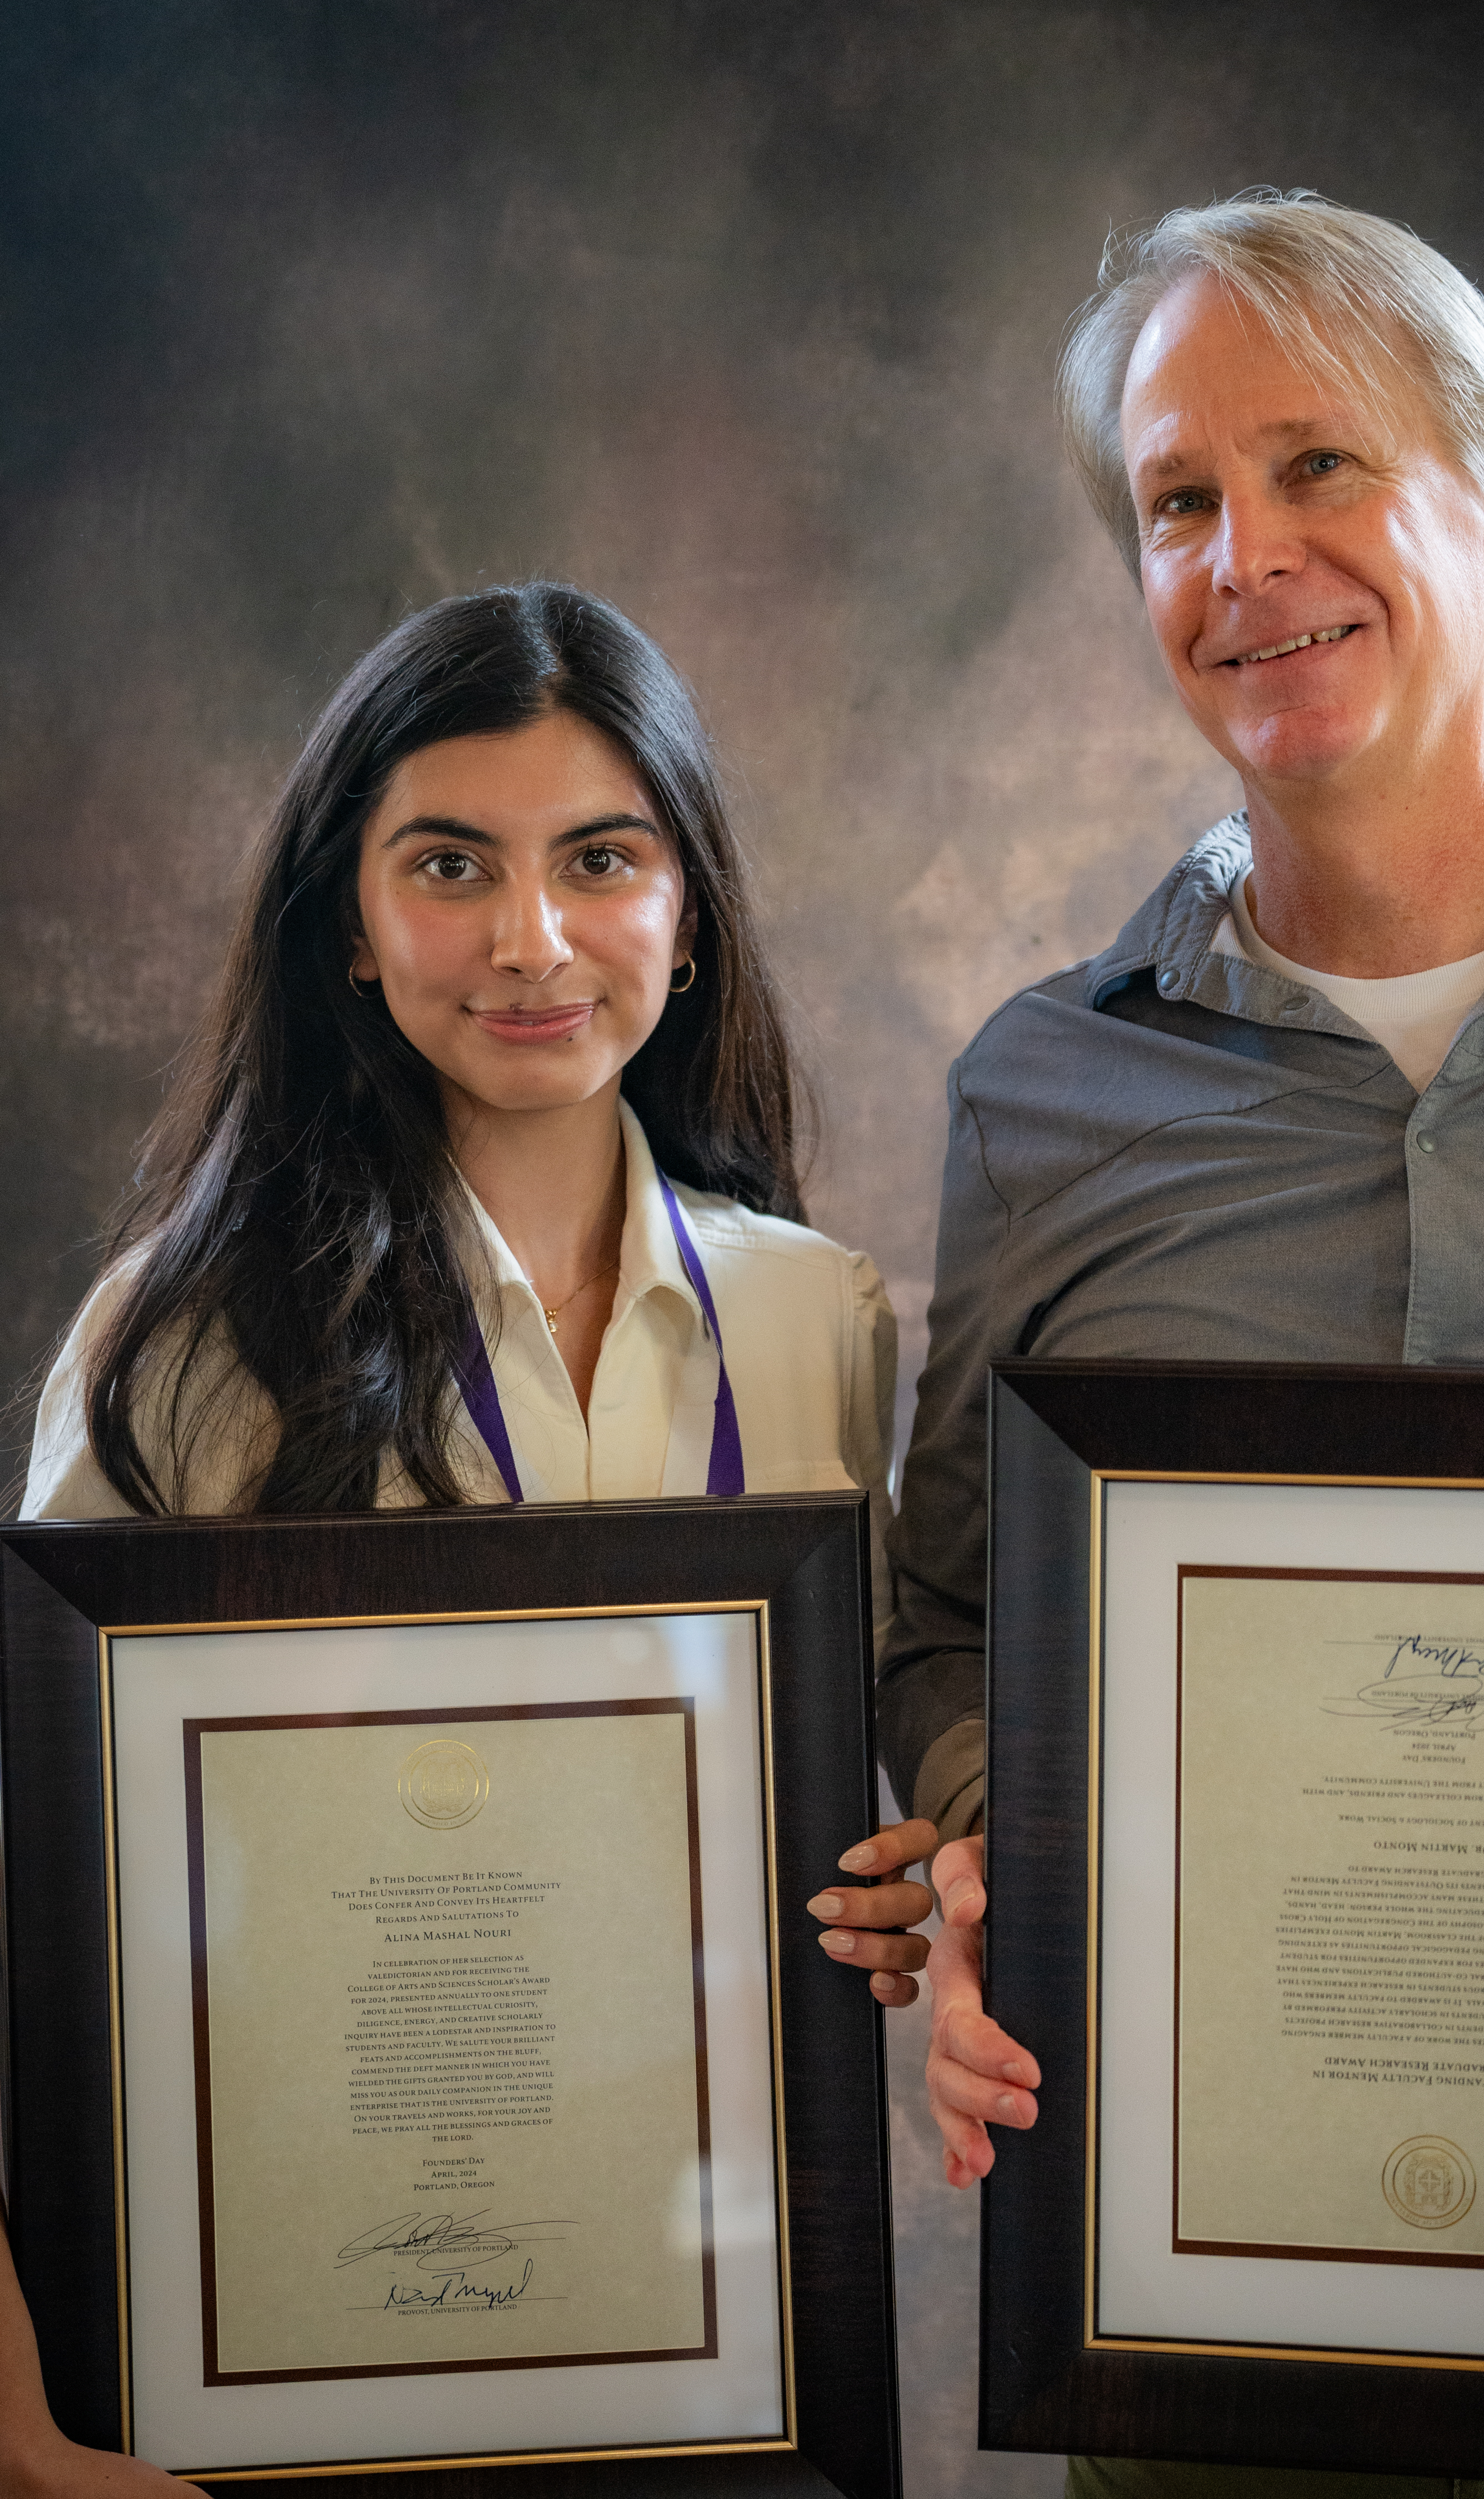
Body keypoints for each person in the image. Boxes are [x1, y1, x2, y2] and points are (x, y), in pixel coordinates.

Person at [813, 192, 1484, 2497]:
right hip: (1231, 2352)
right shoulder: (1044, 1089)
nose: (1240, 554)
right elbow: (956, 1625)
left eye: (1318, 469)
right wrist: (1017, 1853)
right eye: (1176, 500)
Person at [2, 581, 896, 2495]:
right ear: (348, 917)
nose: (531, 939)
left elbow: (862, 1793)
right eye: (449, 865)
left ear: (689, 907)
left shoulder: (828, 1323)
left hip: (717, 2340)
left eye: (600, 857)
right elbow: (25, 1909)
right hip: (302, 2341)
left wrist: (888, 1882)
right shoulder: (179, 1344)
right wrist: (14, 2420)